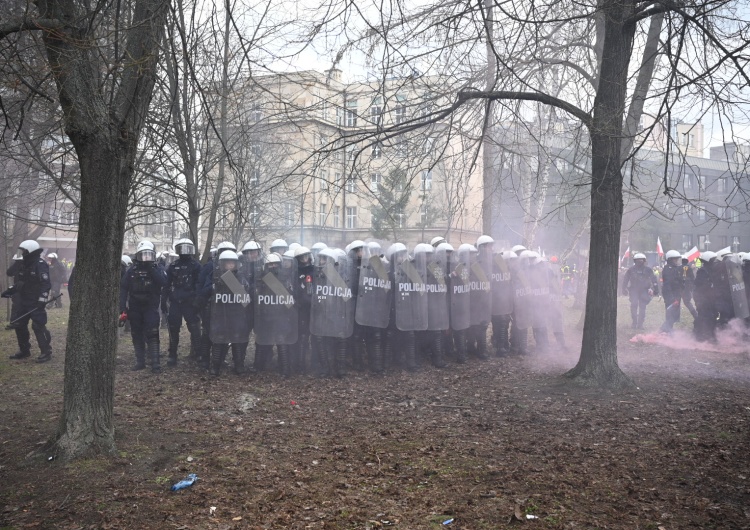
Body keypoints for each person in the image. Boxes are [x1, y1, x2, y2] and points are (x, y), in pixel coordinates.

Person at [120, 240, 167, 372]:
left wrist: (151, 269)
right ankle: (140, 361)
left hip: (150, 307)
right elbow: (123, 289)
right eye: (143, 255)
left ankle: (155, 363)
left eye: (149, 255)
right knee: (136, 334)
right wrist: (122, 307)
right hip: (135, 307)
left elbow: (163, 282)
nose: (146, 258)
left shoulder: (157, 269)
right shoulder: (131, 271)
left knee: (152, 333)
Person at [4, 240, 53, 362]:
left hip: (36, 301)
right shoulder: (23, 264)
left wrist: (42, 299)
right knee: (18, 324)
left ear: (30, 251)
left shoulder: (40, 264)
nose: (22, 253)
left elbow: (45, 283)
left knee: (38, 326)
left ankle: (46, 352)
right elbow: (20, 282)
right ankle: (24, 350)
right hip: (24, 301)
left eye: (24, 251)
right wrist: (10, 291)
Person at [163, 239, 202, 367]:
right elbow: (167, 285)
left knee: (195, 329)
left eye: (187, 248)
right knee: (173, 329)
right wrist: (164, 300)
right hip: (176, 302)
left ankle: (199, 355)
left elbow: (199, 284)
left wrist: (197, 301)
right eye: (182, 248)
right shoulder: (173, 266)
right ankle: (172, 355)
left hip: (190, 302)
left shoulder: (196, 266)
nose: (184, 251)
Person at [621, 253, 658, 329]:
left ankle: (640, 324)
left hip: (644, 290)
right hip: (633, 290)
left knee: (642, 307)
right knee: (634, 305)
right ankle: (634, 322)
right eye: (638, 260)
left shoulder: (648, 270)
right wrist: (623, 288)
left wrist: (656, 289)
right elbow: (625, 279)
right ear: (635, 261)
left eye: (641, 260)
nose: (639, 261)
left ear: (644, 261)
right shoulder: (631, 270)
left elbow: (654, 279)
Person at [659, 250, 684, 334]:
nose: (676, 261)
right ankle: (665, 329)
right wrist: (671, 298)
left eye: (677, 259)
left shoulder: (675, 268)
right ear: (670, 260)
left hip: (676, 293)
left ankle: (667, 329)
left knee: (675, 314)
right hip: (670, 294)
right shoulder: (668, 269)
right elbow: (668, 284)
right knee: (671, 313)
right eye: (675, 260)